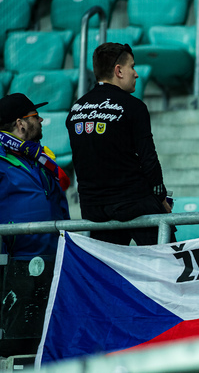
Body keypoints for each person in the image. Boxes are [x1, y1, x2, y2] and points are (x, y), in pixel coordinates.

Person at [66, 42, 173, 246]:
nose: (136, 74)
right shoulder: (134, 107)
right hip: (133, 203)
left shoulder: (75, 109)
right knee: (167, 264)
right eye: (132, 67)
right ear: (119, 71)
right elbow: (149, 159)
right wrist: (160, 198)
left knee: (105, 274)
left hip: (94, 209)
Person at [0, 93, 70, 357]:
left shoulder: (40, 157)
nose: (40, 120)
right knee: (17, 346)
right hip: (16, 265)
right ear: (20, 123)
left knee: (48, 342)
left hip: (53, 259)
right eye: (35, 117)